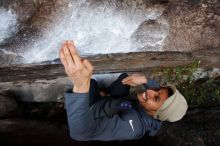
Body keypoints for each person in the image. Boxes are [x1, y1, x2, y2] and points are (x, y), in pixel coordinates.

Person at [59, 40, 188, 141]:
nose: (151, 92)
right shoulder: (153, 108)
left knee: (89, 82)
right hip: (113, 103)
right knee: (125, 79)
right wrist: (144, 80)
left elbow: (81, 134)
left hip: (90, 111)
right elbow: (156, 90)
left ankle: (90, 97)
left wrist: (81, 85)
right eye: (158, 90)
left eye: (156, 98)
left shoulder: (133, 128)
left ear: (156, 114)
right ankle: (104, 94)